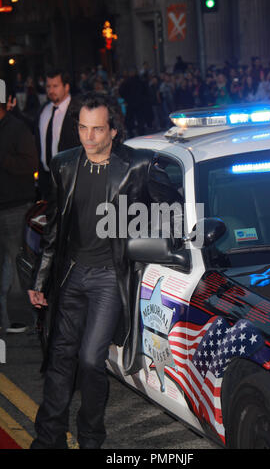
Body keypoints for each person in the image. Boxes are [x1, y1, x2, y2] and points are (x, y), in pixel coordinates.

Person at [28, 92, 182, 449]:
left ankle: (91, 439)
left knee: (89, 360)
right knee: (59, 357)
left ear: (113, 130)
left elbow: (174, 213)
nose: (89, 137)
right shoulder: (64, 165)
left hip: (109, 280)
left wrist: (146, 235)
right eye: (83, 128)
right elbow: (54, 229)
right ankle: (47, 439)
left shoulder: (137, 166)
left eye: (98, 129)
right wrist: (41, 279)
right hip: (71, 275)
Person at [0, 102, 38, 333]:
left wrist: (4, 159)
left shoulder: (17, 129)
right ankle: (5, 321)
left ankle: (23, 319)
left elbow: (30, 163)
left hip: (15, 206)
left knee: (17, 266)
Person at [35, 69, 80, 199]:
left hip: (71, 181)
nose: (51, 90)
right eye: (48, 86)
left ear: (66, 87)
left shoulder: (78, 110)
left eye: (55, 86)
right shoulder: (43, 110)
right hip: (46, 180)